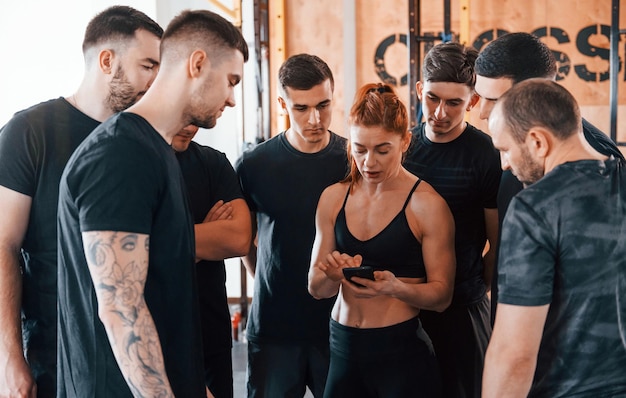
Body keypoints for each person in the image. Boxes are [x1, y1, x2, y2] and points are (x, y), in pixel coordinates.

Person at [56, 10, 248, 397]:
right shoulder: (120, 154)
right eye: (230, 81)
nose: (230, 98)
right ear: (197, 63)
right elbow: (121, 310)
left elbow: (162, 294)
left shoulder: (157, 152)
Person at [0, 6, 162, 397]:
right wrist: (10, 359)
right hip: (55, 352)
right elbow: (3, 244)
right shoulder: (29, 132)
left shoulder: (146, 141)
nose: (156, 81)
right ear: (107, 60)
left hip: (132, 353)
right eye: (147, 65)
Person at [308, 82, 455, 397]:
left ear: (404, 142)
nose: (369, 163)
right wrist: (333, 275)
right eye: (359, 149)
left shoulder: (427, 205)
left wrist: (396, 288)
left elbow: (442, 297)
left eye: (382, 150)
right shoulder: (333, 198)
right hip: (343, 345)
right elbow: (316, 288)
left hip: (399, 351)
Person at [483, 78, 626, 397]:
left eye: (505, 149)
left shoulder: (535, 208)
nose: (505, 164)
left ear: (537, 141)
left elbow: (514, 353)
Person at [473, 32, 625, 325]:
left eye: (494, 100)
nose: (481, 112)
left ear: (534, 93)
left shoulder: (598, 160)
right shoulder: (513, 147)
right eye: (480, 97)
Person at [235, 53, 348, 397]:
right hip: (274, 326)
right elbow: (245, 240)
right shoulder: (254, 165)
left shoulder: (353, 161)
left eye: (323, 105)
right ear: (282, 104)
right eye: (301, 108)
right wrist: (268, 279)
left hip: (337, 323)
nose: (315, 118)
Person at [403, 41, 501, 398]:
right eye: (432, 98)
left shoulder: (487, 156)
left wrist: (475, 289)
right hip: (404, 305)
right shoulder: (401, 148)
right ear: (419, 90)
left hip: (463, 308)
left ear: (473, 101)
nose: (440, 112)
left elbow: (498, 244)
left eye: (454, 102)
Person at [172, 124, 252, 398]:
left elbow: (239, 238)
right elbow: (134, 258)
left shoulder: (213, 162)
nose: (192, 126)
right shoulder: (136, 165)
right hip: (159, 332)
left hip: (211, 330)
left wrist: (169, 243)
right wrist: (207, 235)